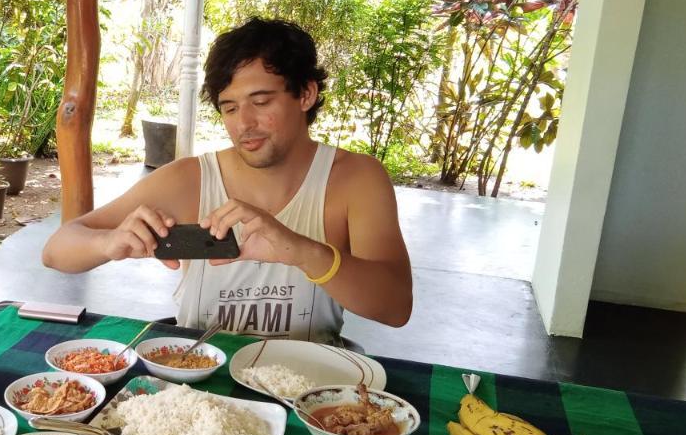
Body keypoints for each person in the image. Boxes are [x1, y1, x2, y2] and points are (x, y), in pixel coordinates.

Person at [42, 18, 412, 342]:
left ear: (306, 94)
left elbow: (395, 307)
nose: (243, 124)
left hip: (308, 393)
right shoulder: (190, 180)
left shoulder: (353, 179)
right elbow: (57, 250)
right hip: (200, 388)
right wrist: (109, 242)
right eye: (229, 108)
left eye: (261, 102)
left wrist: (301, 251)